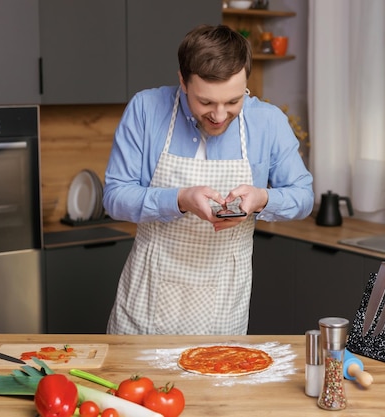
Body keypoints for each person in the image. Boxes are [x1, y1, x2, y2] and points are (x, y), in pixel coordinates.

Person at [103, 24, 314, 335]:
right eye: (206, 102)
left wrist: (262, 199)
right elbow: (115, 198)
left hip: (222, 305)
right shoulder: (146, 109)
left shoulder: (267, 122)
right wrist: (180, 200)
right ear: (183, 81)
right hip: (147, 302)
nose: (218, 115)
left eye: (232, 102)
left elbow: (303, 197)